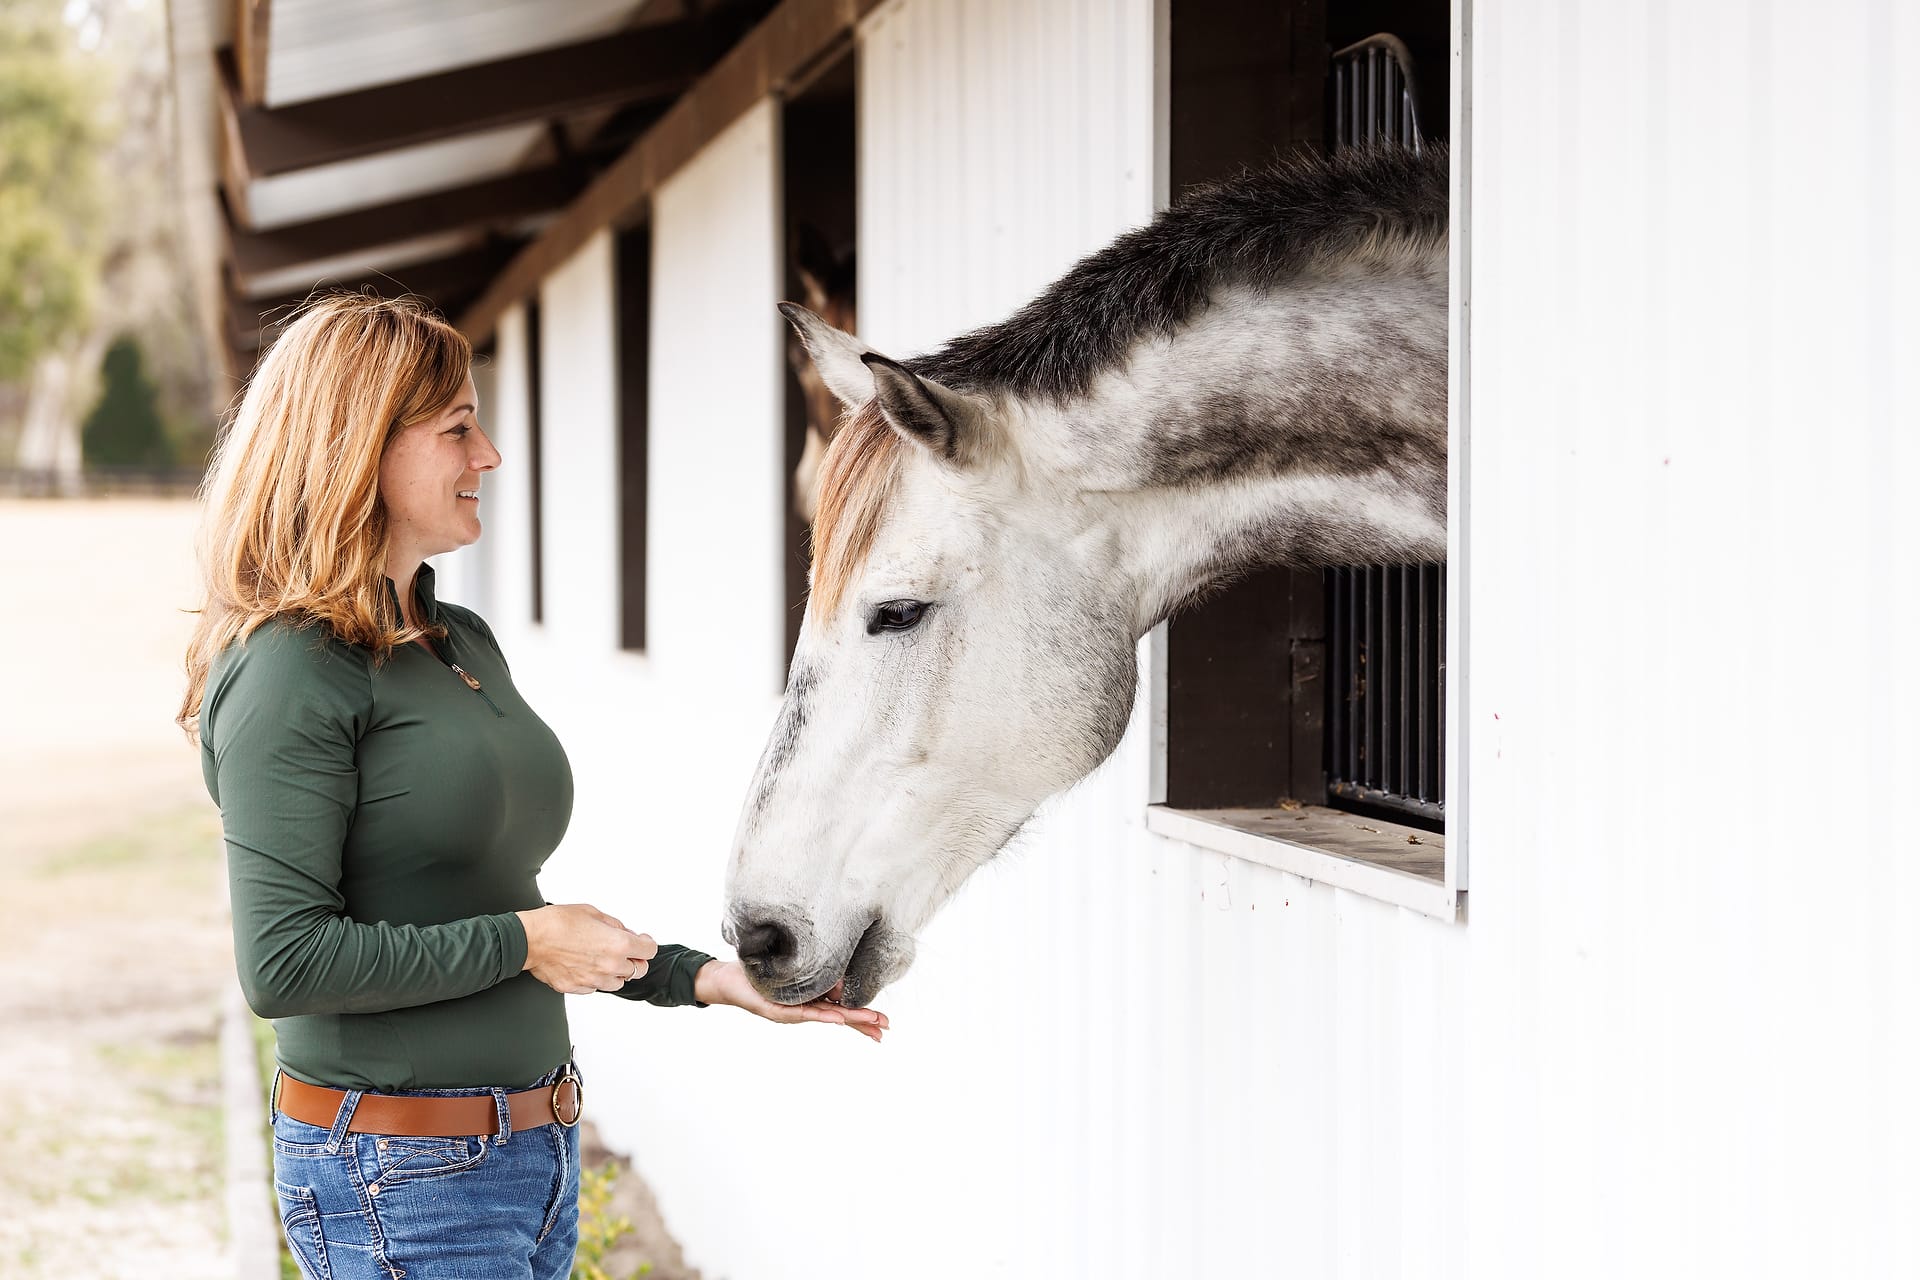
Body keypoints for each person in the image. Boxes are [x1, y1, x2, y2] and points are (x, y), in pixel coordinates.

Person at [178, 294, 886, 1280]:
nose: (491, 455)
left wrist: (703, 978)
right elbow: (285, 964)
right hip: (399, 1173)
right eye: (457, 428)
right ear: (357, 446)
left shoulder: (458, 642)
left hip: (529, 1156)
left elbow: (497, 908)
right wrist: (526, 940)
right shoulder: (292, 668)